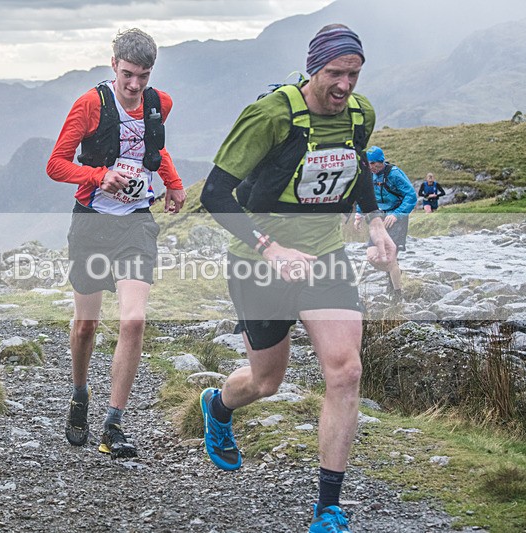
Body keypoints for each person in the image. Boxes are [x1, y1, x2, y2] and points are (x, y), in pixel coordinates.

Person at [198, 24, 396, 532]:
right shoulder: (270, 116)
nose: (345, 85)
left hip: (325, 258)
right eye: (334, 73)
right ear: (314, 69)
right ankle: (218, 406)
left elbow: (356, 177)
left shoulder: (360, 115)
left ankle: (328, 506)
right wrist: (272, 247)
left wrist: (375, 227)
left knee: (345, 370)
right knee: (266, 381)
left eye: (353, 74)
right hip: (257, 261)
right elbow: (216, 194)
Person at [46, 28, 186, 459]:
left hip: (135, 224)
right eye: (128, 75)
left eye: (143, 76)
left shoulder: (158, 104)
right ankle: (79, 394)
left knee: (133, 321)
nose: (135, 85)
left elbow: (152, 148)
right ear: (114, 65)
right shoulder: (90, 104)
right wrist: (98, 176)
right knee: (86, 325)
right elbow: (55, 165)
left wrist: (173, 184)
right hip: (91, 222)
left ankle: (113, 424)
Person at [354, 146, 416, 298]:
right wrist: (358, 214)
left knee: (391, 256)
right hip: (378, 219)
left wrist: (397, 214)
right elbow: (365, 196)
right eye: (368, 163)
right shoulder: (369, 175)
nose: (371, 167)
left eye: (374, 163)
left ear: (381, 161)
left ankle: (396, 294)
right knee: (372, 256)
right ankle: (395, 274)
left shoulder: (394, 174)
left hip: (396, 218)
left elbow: (411, 196)